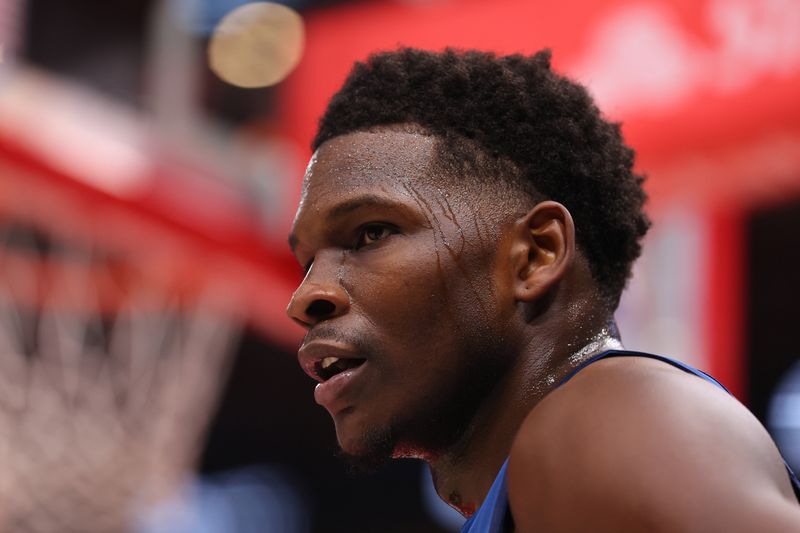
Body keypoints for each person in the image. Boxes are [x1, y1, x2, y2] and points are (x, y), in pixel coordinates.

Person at [285, 48, 800, 532]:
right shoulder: (546, 473)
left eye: (371, 233)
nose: (305, 297)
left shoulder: (598, 422)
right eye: (307, 262)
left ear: (536, 255)